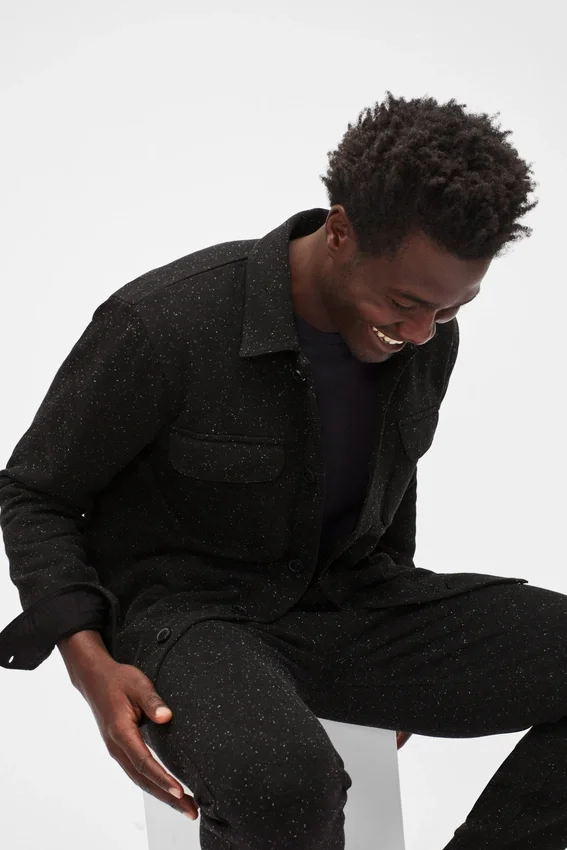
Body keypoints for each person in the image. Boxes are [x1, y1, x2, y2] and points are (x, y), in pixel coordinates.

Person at [2, 91, 565, 850]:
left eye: (451, 310)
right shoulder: (166, 322)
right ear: (341, 230)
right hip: (190, 618)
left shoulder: (422, 333)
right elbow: (35, 491)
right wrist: (88, 662)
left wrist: (402, 669)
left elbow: (391, 483)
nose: (421, 332)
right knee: (284, 789)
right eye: (404, 303)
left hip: (349, 603)